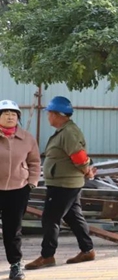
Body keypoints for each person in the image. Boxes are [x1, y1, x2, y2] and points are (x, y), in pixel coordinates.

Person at [25, 96, 97, 271]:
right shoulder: (64, 131)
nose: (48, 117)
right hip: (65, 183)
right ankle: (87, 250)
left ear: (57, 114)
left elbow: (79, 156)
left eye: (49, 113)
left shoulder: (68, 133)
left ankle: (47, 256)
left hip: (64, 184)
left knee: (50, 218)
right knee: (73, 217)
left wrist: (86, 170)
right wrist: (85, 170)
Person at [0, 100, 40, 280]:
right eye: (5, 113)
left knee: (13, 229)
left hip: (18, 189)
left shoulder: (27, 138)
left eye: (13, 114)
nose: (10, 117)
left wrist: (31, 183)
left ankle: (15, 265)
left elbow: (34, 162)